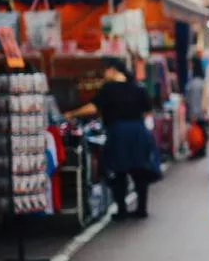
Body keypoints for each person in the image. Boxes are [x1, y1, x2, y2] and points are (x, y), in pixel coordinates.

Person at [64, 58, 160, 220]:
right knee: (139, 171)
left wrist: (71, 114)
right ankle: (141, 209)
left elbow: (93, 107)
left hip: (118, 132)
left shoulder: (108, 89)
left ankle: (121, 209)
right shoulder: (137, 87)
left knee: (118, 171)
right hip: (138, 132)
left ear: (113, 70)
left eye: (106, 70)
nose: (104, 73)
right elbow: (148, 111)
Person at [185, 57, 207, 158]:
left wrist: (193, 114)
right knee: (202, 131)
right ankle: (201, 151)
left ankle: (198, 151)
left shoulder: (194, 82)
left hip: (196, 112)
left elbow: (193, 99)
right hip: (202, 112)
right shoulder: (202, 81)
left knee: (197, 132)